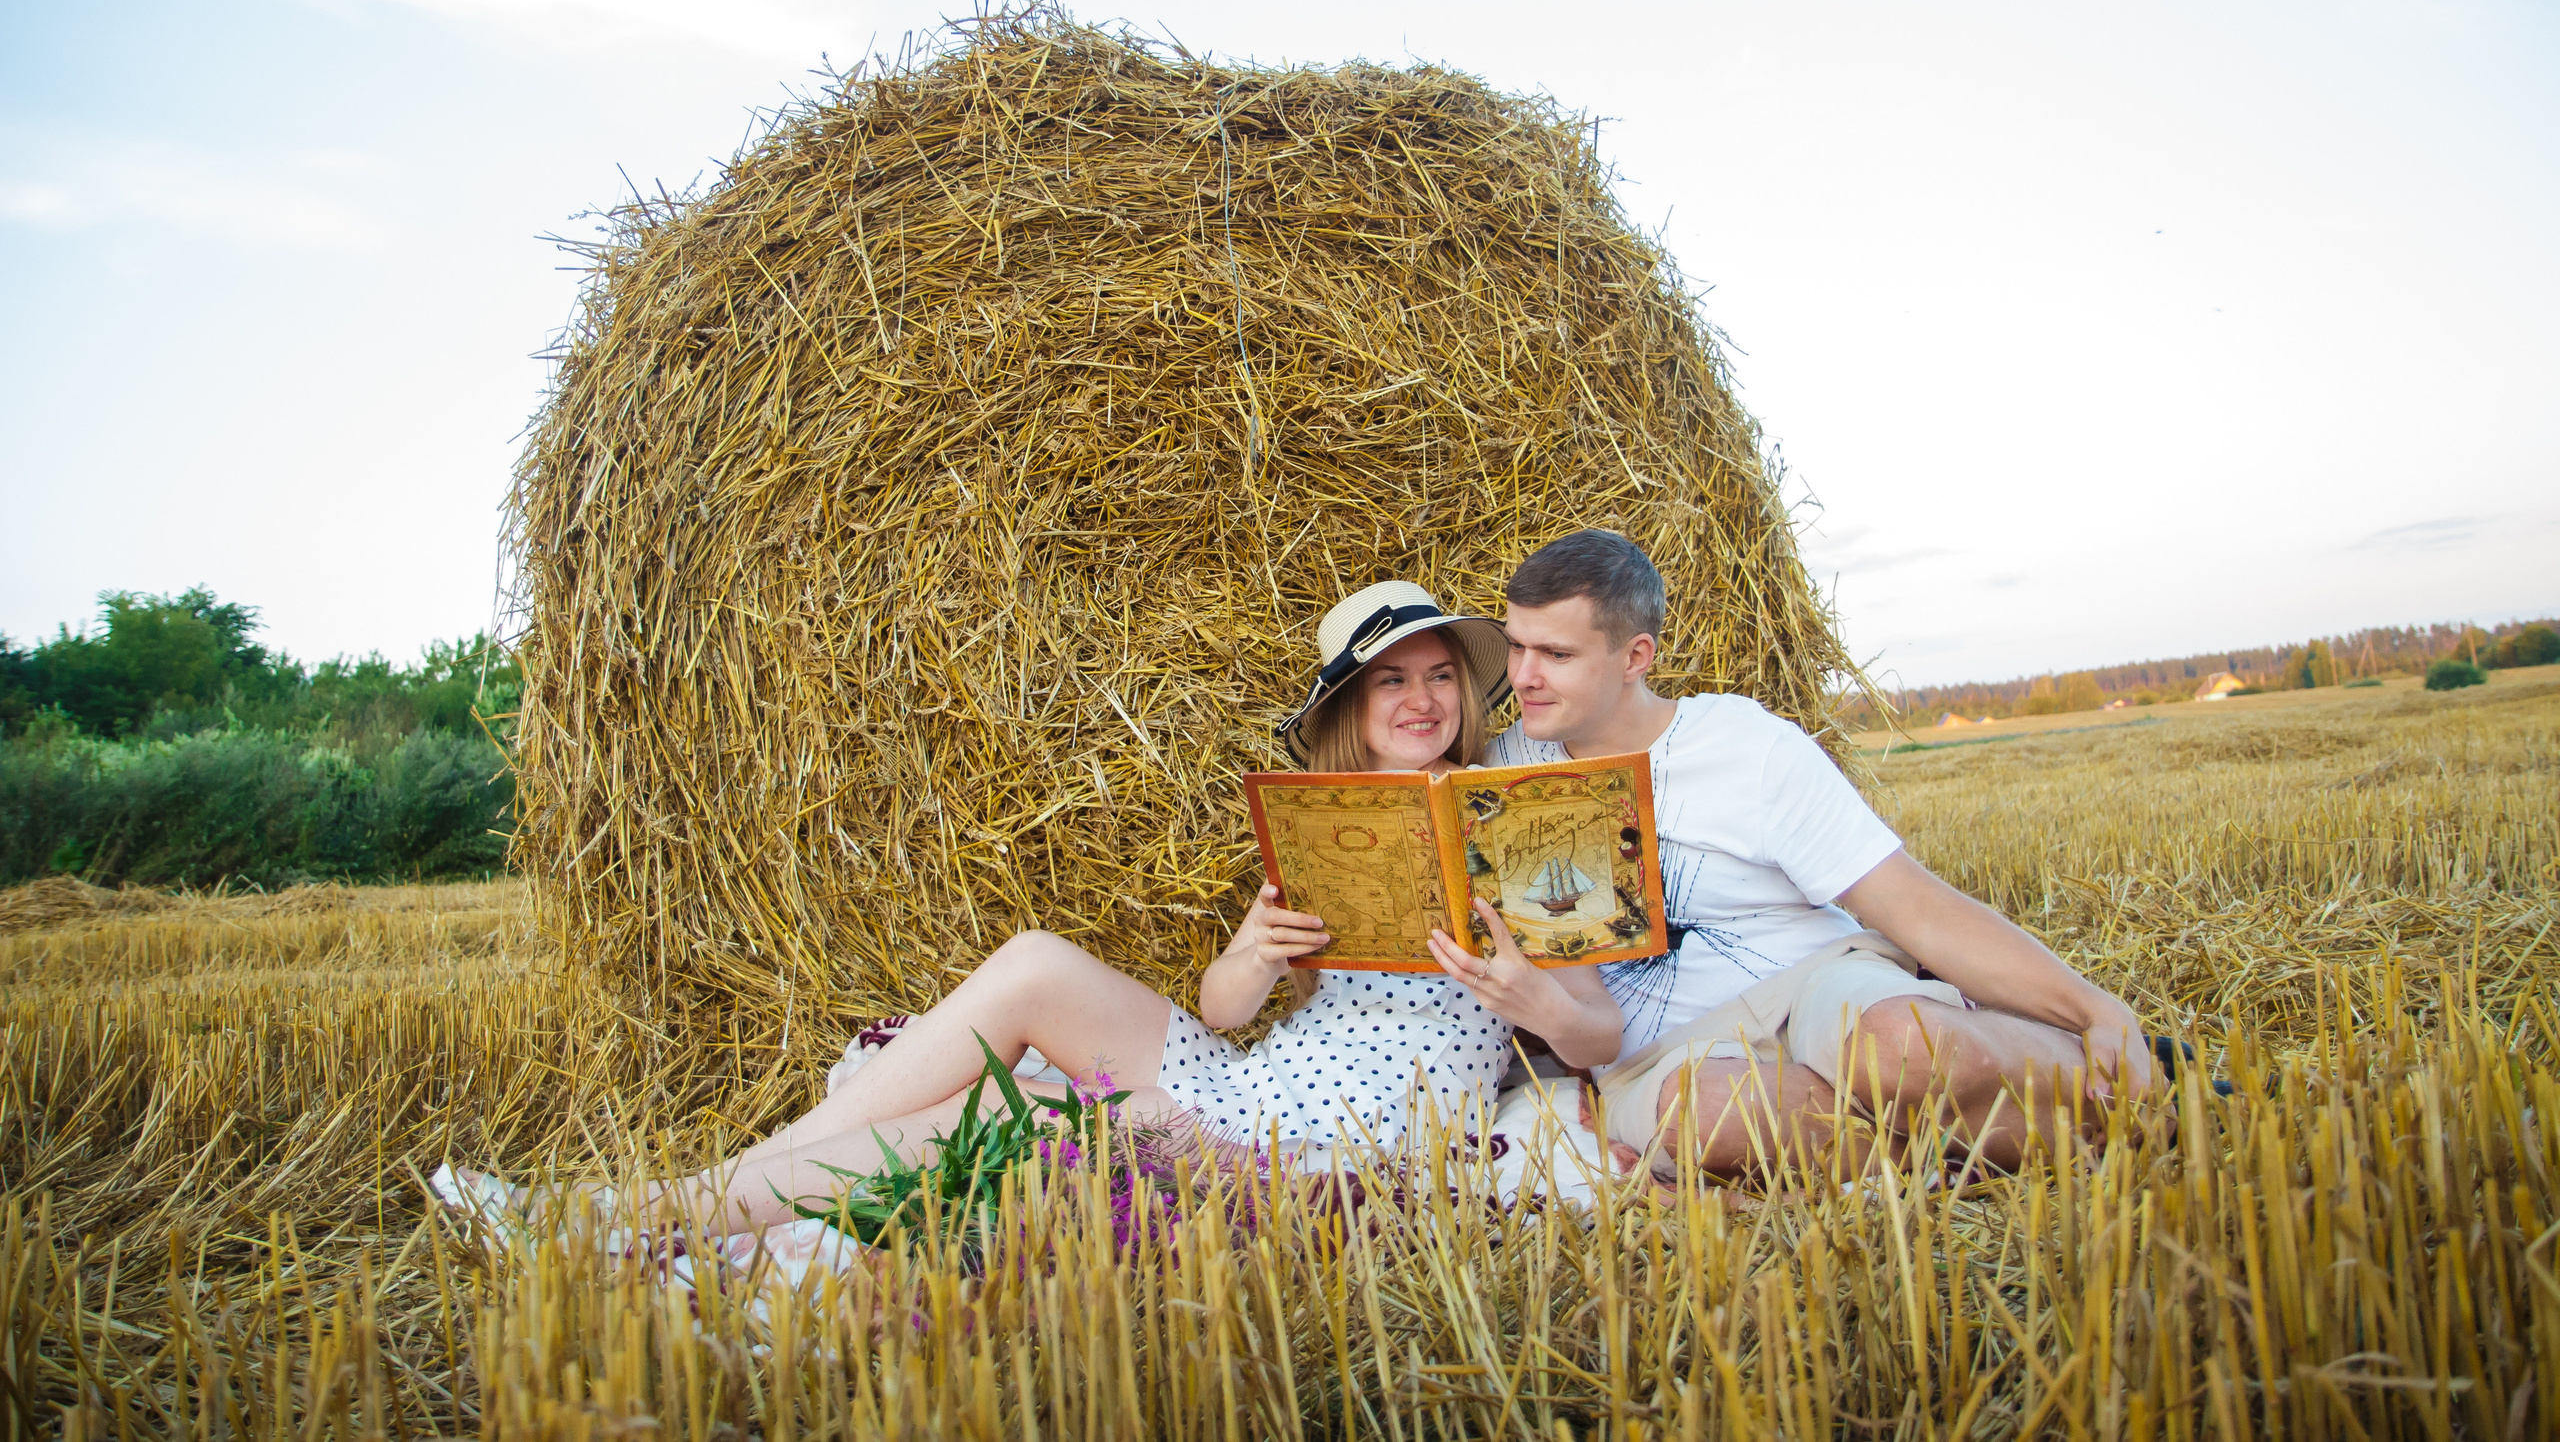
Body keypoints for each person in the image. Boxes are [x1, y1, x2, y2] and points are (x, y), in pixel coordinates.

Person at [440, 580, 1622, 1234]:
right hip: (1257, 1073)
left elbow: (1598, 1035)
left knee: (1013, 1111)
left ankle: (639, 1217)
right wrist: (1255, 955)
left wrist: (1526, 996)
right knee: (1033, 965)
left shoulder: (1517, 815)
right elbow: (1222, 1008)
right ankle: (696, 1194)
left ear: (1463, 690)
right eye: (1386, 682)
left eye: (1433, 675)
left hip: (1335, 1137)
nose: (1415, 699)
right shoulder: (1328, 821)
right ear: (1353, 711)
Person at [1487, 529, 2152, 1184]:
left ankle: (2129, 1090)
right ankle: (1983, 1141)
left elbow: (1916, 910)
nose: (1522, 676)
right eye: (1515, 646)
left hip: (1815, 984)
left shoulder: (1748, 746)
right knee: (1712, 1116)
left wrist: (2095, 1008)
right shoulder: (1505, 771)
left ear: (1636, 657)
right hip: (1660, 1061)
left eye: (1556, 654)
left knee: (1905, 1042)